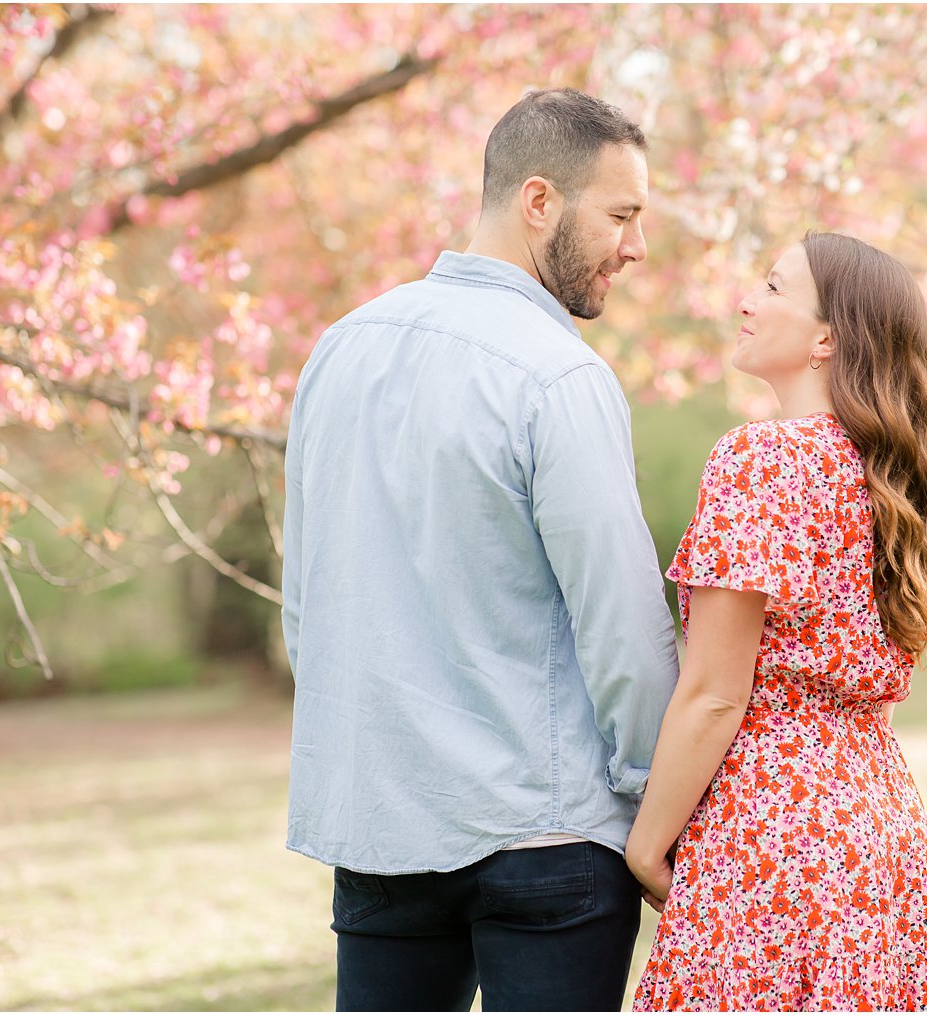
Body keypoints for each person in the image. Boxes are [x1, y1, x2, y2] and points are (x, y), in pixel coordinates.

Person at [280, 88, 679, 1012]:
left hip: (380, 823)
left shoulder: (338, 350)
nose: (636, 246)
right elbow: (621, 626)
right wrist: (659, 805)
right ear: (540, 201)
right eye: (622, 215)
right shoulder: (559, 375)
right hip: (547, 839)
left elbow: (307, 604)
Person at [627, 231, 927, 1011]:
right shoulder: (900, 477)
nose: (747, 301)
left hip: (775, 834)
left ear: (827, 337)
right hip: (882, 832)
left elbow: (716, 693)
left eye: (775, 288)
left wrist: (648, 844)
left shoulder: (763, 461)